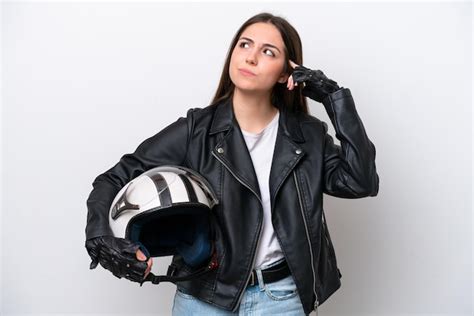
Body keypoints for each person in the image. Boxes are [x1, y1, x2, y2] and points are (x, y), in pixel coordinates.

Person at [85, 12, 379, 316]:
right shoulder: (195, 130)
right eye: (244, 44)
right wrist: (100, 237)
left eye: (268, 52)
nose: (251, 57)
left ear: (284, 73)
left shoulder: (308, 136)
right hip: (203, 299)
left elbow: (361, 181)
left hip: (282, 299)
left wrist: (334, 99)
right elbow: (112, 180)